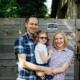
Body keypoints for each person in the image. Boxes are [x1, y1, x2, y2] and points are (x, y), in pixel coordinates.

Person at [14, 15, 53, 80]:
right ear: (26, 24)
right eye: (31, 24)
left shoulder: (38, 40)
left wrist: (67, 55)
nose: (34, 26)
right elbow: (23, 63)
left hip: (37, 77)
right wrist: (45, 69)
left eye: (36, 24)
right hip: (25, 77)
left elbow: (50, 47)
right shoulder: (21, 40)